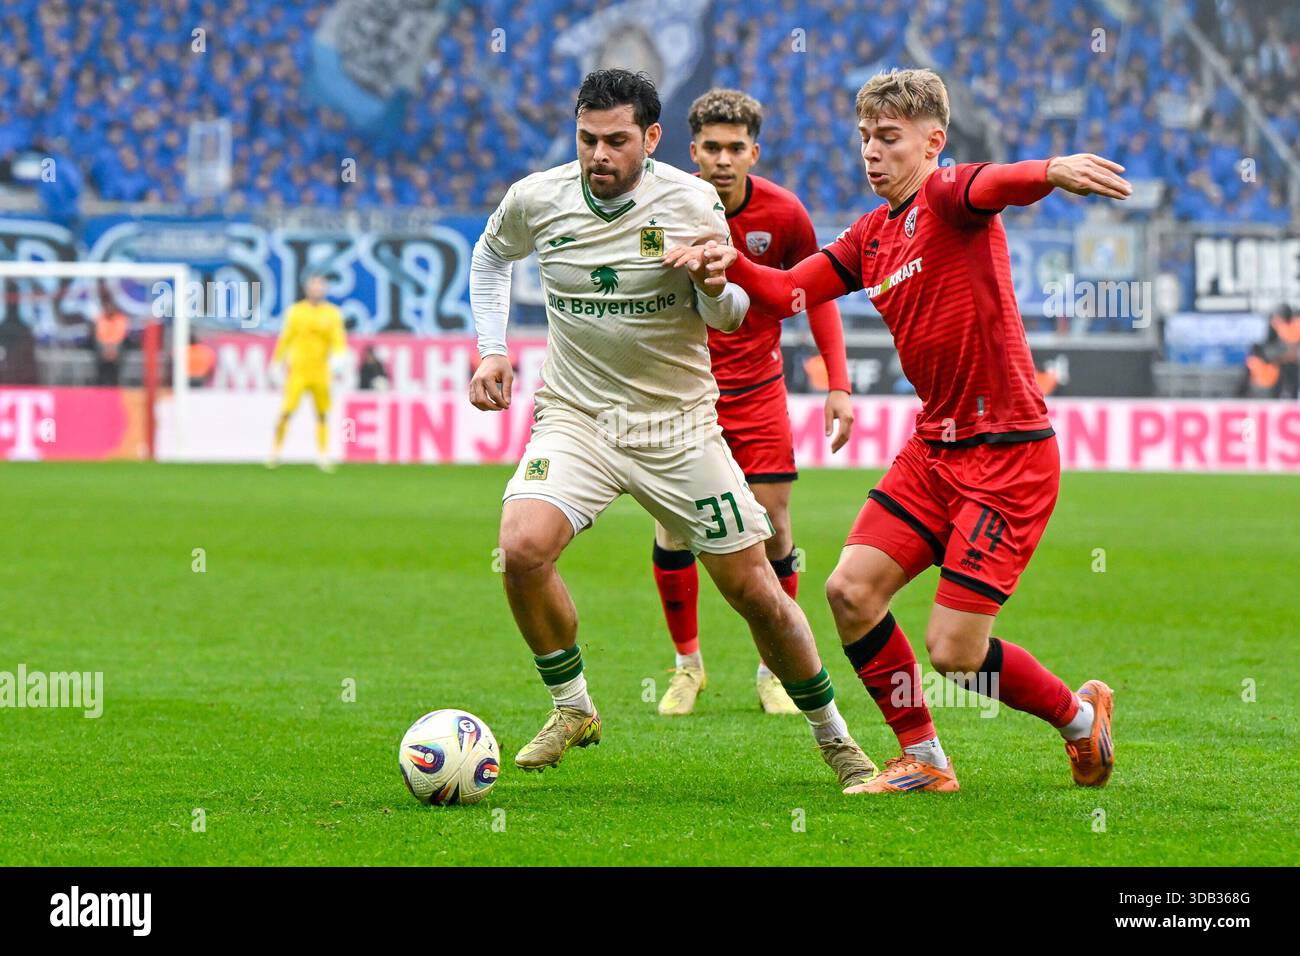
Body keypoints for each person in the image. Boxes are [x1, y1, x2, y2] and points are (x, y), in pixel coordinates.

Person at [672, 68, 1128, 794]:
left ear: (932, 143)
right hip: (934, 448)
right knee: (850, 592)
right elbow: (790, 291)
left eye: (889, 139)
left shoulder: (948, 198)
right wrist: (728, 265)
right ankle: (927, 760)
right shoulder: (872, 236)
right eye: (864, 139)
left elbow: (995, 183)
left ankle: (1080, 718)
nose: (871, 153)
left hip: (1008, 454)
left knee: (953, 651)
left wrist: (1049, 171)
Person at [468, 69, 877, 789]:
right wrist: (492, 347)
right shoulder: (538, 198)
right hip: (577, 418)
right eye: (588, 138)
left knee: (754, 588)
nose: (600, 154)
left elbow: (728, 317)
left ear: (652, 139)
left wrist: (717, 282)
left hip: (678, 427)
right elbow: (491, 255)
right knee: (521, 548)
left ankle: (834, 737)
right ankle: (573, 707)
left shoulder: (690, 202)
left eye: (617, 140)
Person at [652, 88, 854, 718]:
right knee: (675, 528)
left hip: (759, 392)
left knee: (773, 528)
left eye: (735, 147)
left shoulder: (785, 214)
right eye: (710, 147)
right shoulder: (666, 205)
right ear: (693, 151)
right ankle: (687, 667)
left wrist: (838, 384)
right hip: (684, 392)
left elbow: (815, 294)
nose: (722, 158)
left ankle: (772, 671)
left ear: (753, 152)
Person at [268, 273, 346, 472]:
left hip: (321, 371)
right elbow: (286, 338)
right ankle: (275, 451)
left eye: (320, 286)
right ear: (307, 289)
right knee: (287, 411)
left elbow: (338, 340)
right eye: (314, 286)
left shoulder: (332, 314)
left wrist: (339, 359)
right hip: (298, 371)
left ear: (325, 289)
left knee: (322, 414)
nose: (317, 289)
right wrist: (276, 362)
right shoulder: (296, 312)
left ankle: (322, 454)